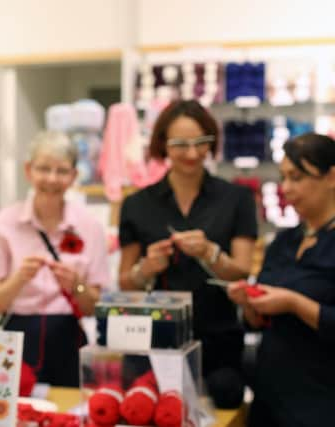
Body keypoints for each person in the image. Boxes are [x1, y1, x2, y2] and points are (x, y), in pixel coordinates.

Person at [118, 100, 257, 408]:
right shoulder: (137, 205)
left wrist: (211, 252)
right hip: (154, 339)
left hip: (219, 340)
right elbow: (126, 283)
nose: (193, 154)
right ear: (162, 145)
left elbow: (242, 271)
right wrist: (147, 269)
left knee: (224, 401)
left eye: (202, 143)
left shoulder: (236, 199)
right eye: (181, 144)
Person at [0, 131, 110, 387]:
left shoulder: (90, 226)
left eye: (61, 171)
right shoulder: (3, 223)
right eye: (43, 169)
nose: (52, 179)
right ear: (28, 171)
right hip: (15, 336)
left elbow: (96, 307)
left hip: (68, 338)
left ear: (74, 176)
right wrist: (18, 279)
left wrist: (76, 285)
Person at [227, 133, 335, 427]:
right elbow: (257, 322)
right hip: (270, 397)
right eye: (283, 177)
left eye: (297, 177)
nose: (286, 188)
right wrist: (250, 302)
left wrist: (293, 303)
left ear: (331, 177)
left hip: (321, 401)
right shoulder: (284, 242)